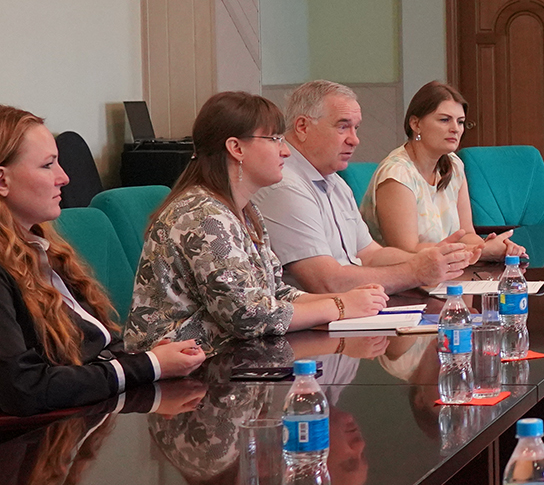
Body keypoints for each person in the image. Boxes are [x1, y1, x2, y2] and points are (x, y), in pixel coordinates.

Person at [125, 91, 387, 352]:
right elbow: (248, 316)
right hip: (181, 365)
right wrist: (339, 307)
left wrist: (349, 299)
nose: (286, 151)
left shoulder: (245, 211)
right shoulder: (204, 216)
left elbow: (274, 293)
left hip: (224, 356)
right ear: (236, 148)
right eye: (275, 139)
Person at [0, 106, 205, 419]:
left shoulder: (40, 247)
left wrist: (145, 357)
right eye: (47, 165)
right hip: (37, 436)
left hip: (83, 416)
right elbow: (24, 388)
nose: (64, 178)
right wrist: (148, 365)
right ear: (2, 181)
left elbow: (91, 348)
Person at [253, 81, 470, 295]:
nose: (354, 140)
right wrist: (416, 271)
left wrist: (432, 259)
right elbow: (326, 282)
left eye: (355, 128)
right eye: (343, 126)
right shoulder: (284, 186)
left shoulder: (335, 182)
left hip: (356, 304)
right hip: (322, 312)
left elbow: (370, 255)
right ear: (302, 127)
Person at [361, 81, 522, 261]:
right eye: (445, 120)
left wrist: (491, 246)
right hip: (400, 274)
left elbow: (466, 233)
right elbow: (407, 251)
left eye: (460, 122)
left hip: (445, 269)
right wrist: (480, 251)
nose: (455, 129)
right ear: (415, 124)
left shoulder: (454, 165)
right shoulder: (397, 174)